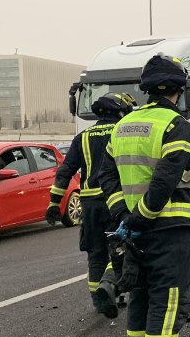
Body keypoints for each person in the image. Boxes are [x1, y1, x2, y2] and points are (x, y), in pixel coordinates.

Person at [99, 54, 190, 337]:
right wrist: (141, 216)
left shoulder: (123, 125)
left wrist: (124, 217)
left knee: (141, 297)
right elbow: (166, 179)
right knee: (169, 296)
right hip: (166, 228)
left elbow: (106, 175)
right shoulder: (176, 125)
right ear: (179, 89)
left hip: (135, 230)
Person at [47, 92, 135, 318]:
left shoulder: (82, 137)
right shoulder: (121, 132)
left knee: (95, 254)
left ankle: (99, 301)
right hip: (114, 201)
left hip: (89, 205)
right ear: (119, 111)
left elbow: (65, 171)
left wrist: (54, 202)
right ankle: (109, 286)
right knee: (119, 247)